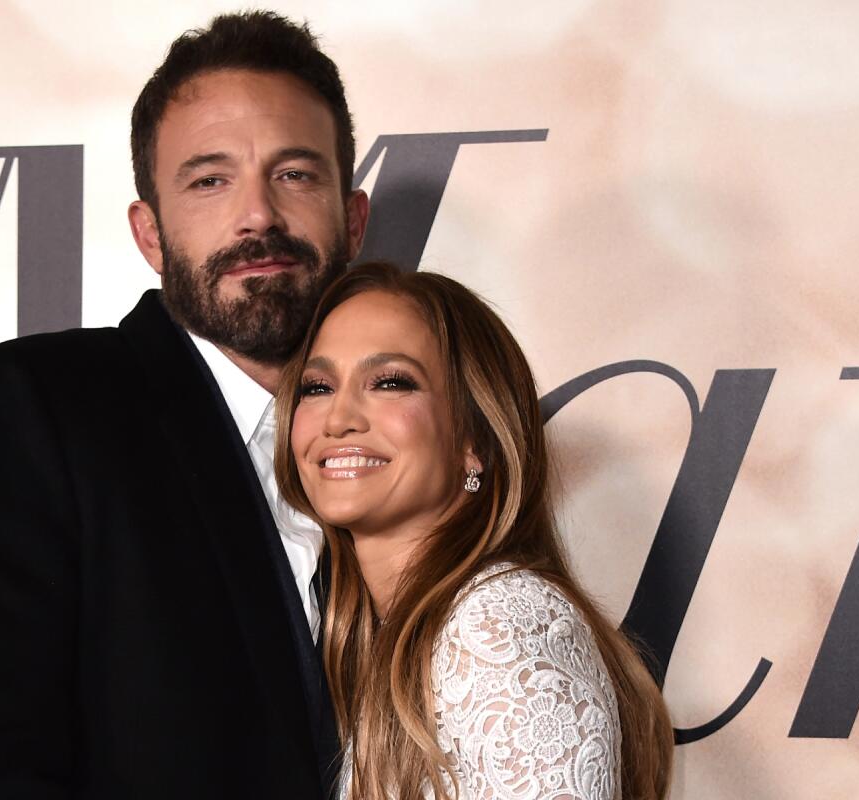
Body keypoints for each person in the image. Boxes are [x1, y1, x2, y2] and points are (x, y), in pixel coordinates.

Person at [0, 11, 368, 798]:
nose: (258, 215)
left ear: (353, 220)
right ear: (150, 235)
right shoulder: (22, 414)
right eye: (209, 179)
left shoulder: (407, 442)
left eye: (295, 174)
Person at [275, 263, 673, 799]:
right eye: (317, 386)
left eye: (390, 382)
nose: (337, 418)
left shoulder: (495, 625)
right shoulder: (389, 636)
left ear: (475, 440)